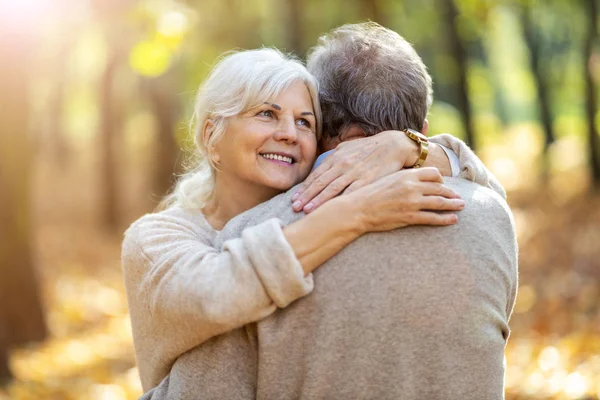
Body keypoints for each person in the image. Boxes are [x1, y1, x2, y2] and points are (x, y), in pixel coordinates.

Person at [142, 23, 518, 399]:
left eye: (302, 120)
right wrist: (412, 151)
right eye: (266, 115)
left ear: (321, 128)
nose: (289, 133)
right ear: (422, 128)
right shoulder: (492, 215)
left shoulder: (252, 236)